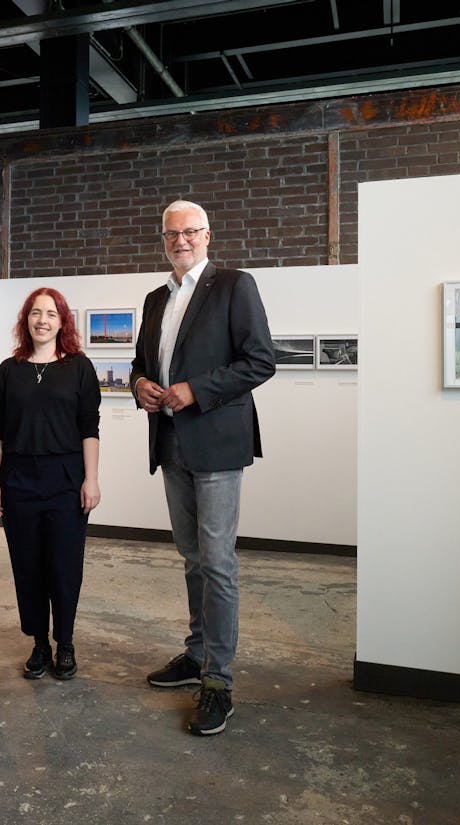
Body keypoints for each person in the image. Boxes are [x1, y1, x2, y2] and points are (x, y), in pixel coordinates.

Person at [130, 200, 275, 736]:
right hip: (170, 443)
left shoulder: (235, 286)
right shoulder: (154, 298)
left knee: (217, 562)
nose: (181, 240)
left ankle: (219, 680)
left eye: (190, 232)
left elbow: (261, 360)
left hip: (216, 442)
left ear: (208, 235)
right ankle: (196, 654)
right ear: (162, 238)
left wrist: (197, 390)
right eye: (172, 233)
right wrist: (140, 384)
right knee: (192, 558)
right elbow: (144, 364)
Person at [0, 287, 100, 680]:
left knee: (64, 566)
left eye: (51, 314)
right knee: (28, 566)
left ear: (62, 321)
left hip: (67, 481)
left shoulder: (79, 367)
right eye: (36, 313)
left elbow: (90, 428)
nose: (42, 320)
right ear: (26, 319)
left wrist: (92, 479)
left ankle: (65, 643)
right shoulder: (9, 369)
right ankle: (39, 643)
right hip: (19, 481)